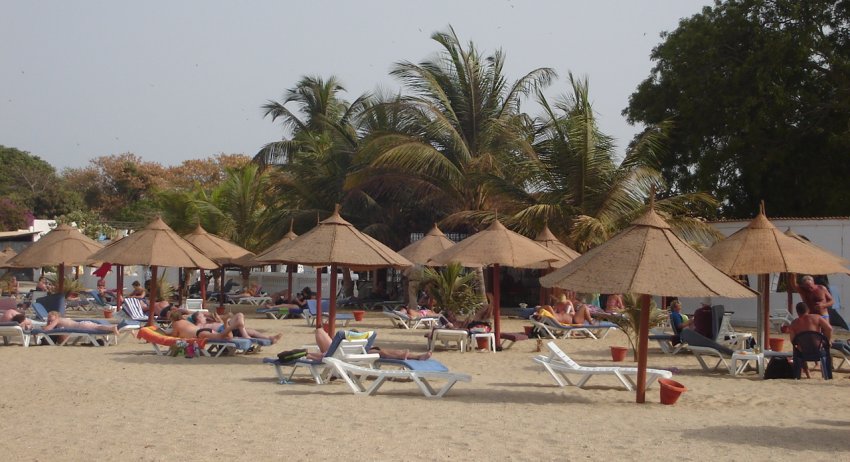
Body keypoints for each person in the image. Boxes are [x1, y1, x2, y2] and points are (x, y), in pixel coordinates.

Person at [306, 328, 431, 361]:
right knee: (381, 352)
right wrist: (309, 355)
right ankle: (414, 356)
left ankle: (413, 356)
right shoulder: (328, 353)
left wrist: (308, 355)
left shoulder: (329, 353)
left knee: (381, 352)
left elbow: (320, 357)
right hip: (356, 355)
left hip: (351, 355)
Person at [189, 311, 282, 344]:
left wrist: (218, 320)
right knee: (246, 326)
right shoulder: (196, 327)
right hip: (224, 331)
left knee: (241, 316)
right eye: (202, 316)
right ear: (197, 318)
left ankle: (270, 338)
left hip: (225, 326)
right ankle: (245, 334)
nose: (204, 317)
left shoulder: (210, 322)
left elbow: (211, 316)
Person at [168, 310, 234, 340]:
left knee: (222, 337)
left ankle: (225, 322)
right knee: (228, 337)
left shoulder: (175, 323)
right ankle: (225, 323)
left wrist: (166, 333)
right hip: (202, 331)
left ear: (172, 318)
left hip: (199, 333)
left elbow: (174, 335)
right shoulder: (185, 321)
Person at [43, 311, 119, 336]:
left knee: (98, 327)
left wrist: (47, 324)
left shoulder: (57, 320)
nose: (49, 318)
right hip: (82, 324)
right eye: (48, 316)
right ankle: (114, 327)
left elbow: (48, 329)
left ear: (56, 316)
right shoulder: (63, 319)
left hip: (81, 326)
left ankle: (112, 328)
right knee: (97, 326)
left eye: (50, 316)